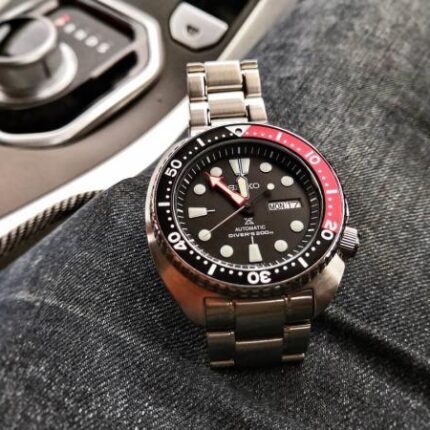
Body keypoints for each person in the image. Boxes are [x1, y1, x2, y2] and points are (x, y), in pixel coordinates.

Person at [1, 0, 429, 428]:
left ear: (341, 234)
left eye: (248, 203)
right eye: (241, 204)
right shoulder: (184, 245)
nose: (245, 206)